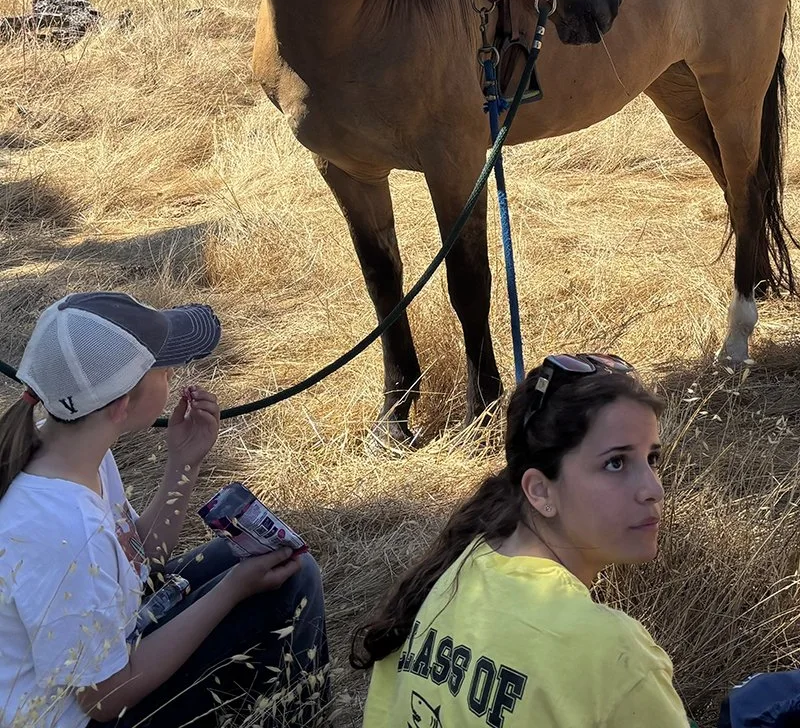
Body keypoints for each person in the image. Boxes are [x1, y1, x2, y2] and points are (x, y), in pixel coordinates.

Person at [0, 291, 329, 728]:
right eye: (162, 367)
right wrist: (231, 591)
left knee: (285, 566)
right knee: (276, 584)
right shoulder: (65, 531)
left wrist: (183, 463)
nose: (172, 374)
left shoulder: (76, 450)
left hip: (109, 657)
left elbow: (141, 561)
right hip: (83, 715)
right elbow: (105, 698)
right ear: (120, 404)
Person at [354, 353, 694, 727]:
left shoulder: (456, 568)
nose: (653, 489)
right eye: (616, 463)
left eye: (652, 458)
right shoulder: (616, 659)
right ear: (540, 491)